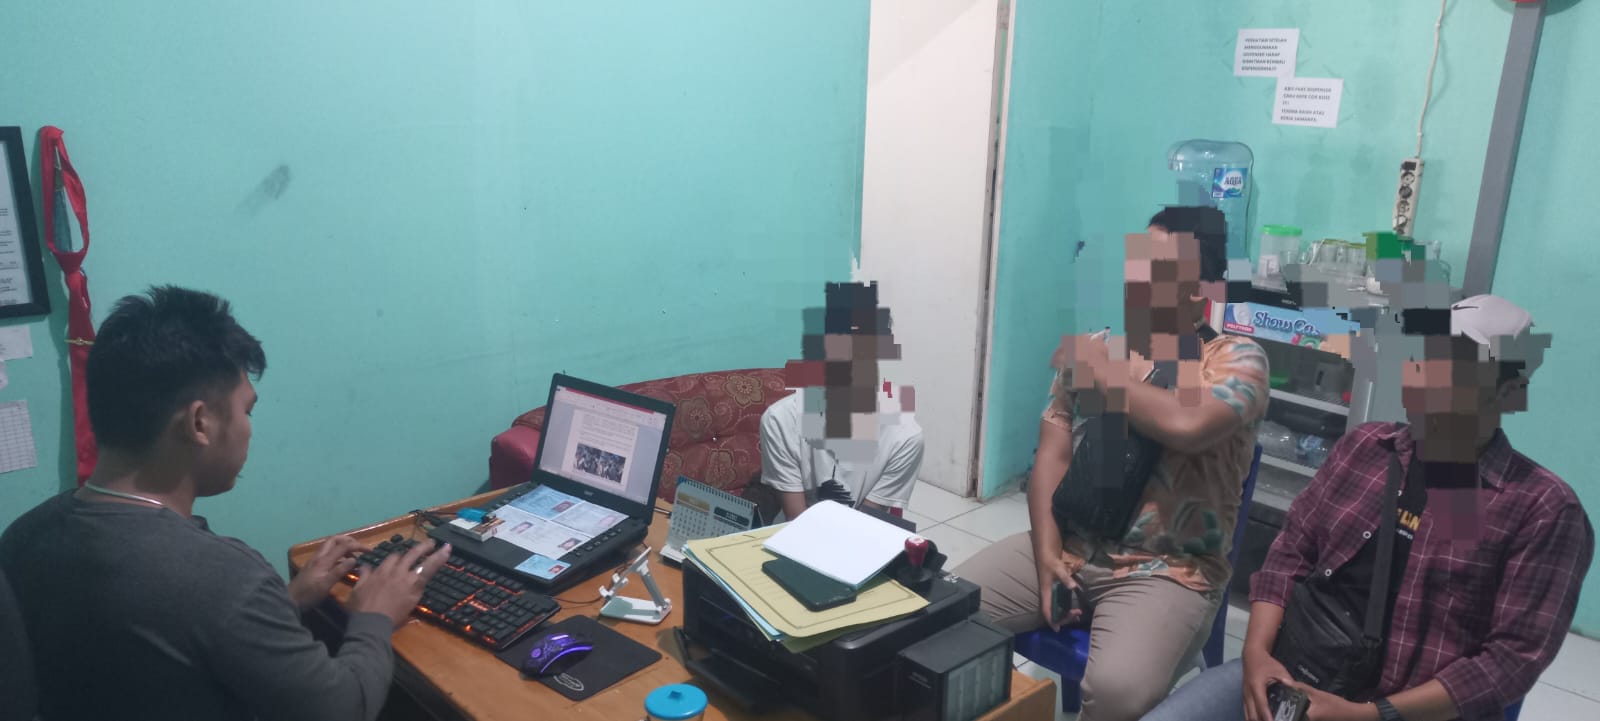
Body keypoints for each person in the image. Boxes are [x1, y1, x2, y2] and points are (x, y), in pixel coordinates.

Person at [0, 286, 452, 721]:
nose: (249, 429)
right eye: (246, 411)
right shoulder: (221, 578)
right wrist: (374, 616)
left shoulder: (25, 535)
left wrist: (284, 603)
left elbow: (162, 649)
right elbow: (344, 709)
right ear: (200, 423)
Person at [1140, 294, 1593, 721]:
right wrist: (1257, 655)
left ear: (1509, 392)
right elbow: (1289, 554)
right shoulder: (1366, 448)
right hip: (1291, 674)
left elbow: (1509, 661)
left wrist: (1370, 714)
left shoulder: (1543, 510)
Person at [954, 207, 1270, 721]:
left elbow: (1186, 424)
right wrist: (1047, 554)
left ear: (1197, 291)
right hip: (1071, 544)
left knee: (1116, 691)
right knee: (942, 610)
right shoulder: (1100, 348)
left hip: (1169, 571)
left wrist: (1102, 374)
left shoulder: (1235, 360)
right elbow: (1052, 453)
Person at [758, 280, 924, 521]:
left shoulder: (905, 438)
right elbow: (797, 521)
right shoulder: (780, 421)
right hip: (795, 532)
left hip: (859, 534)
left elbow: (865, 523)